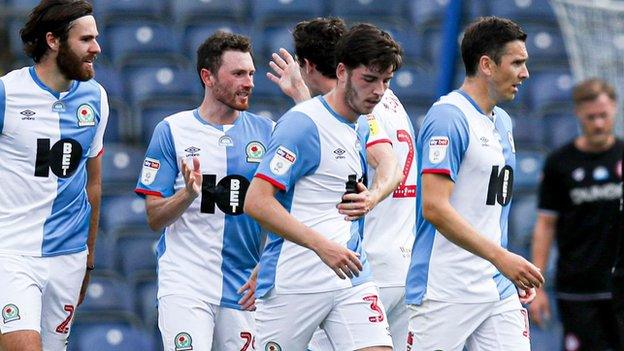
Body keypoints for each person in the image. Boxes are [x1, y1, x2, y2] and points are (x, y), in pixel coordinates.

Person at [244, 23, 403, 351]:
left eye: (386, 81)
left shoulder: (361, 123)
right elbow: (257, 202)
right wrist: (322, 246)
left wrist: (371, 198)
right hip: (296, 281)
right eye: (370, 80)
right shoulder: (301, 125)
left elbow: (390, 167)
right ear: (342, 71)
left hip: (351, 276)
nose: (379, 91)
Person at [405, 16, 545, 350]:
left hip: (495, 287)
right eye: (517, 63)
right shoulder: (448, 118)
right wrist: (502, 257)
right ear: (486, 65)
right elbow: (435, 208)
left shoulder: (503, 120)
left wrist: (504, 266)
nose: (525, 74)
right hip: (445, 290)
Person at [134, 32, 273, 350]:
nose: (249, 82)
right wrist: (187, 194)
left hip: (243, 285)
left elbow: (292, 206)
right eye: (238, 73)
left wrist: (268, 264)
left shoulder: (268, 133)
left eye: (251, 73)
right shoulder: (171, 130)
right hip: (186, 281)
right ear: (207, 76)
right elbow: (154, 218)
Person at [0, 1, 107, 350]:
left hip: (69, 256)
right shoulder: (7, 93)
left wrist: (88, 261)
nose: (97, 48)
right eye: (86, 39)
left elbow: (93, 184)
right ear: (53, 40)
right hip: (12, 252)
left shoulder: (97, 98)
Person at [529, 78, 622, 350]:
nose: (598, 123)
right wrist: (538, 286)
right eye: (591, 117)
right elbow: (545, 225)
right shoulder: (560, 163)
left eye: (603, 115)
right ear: (578, 113)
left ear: (614, 109)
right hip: (578, 289)